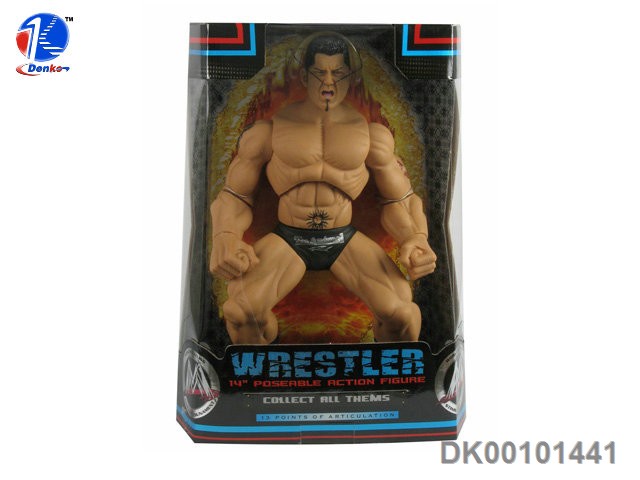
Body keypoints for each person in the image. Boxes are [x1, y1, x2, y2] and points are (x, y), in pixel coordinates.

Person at [209, 33, 436, 344]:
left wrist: (415, 238)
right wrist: (225, 236)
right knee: (240, 313)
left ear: (350, 78)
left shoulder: (372, 135)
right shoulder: (269, 131)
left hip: (343, 238)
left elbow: (399, 197)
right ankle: (264, 366)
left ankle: (387, 375)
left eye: (338, 73)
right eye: (319, 72)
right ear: (305, 76)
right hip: (289, 237)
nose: (328, 82)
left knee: (402, 317)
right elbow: (236, 194)